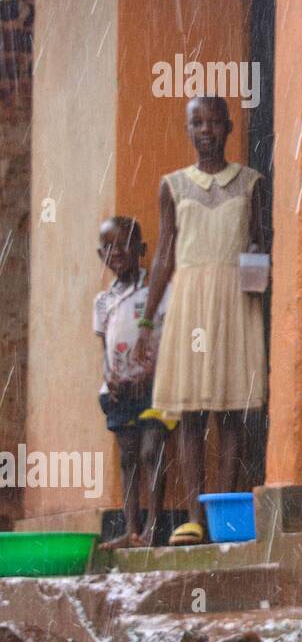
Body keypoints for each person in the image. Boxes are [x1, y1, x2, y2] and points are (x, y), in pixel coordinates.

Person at [133, 95, 270, 546]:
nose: (205, 130)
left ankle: (225, 514)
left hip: (235, 301)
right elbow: (165, 256)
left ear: (229, 128)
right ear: (188, 130)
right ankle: (192, 517)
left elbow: (260, 243)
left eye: (213, 122)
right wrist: (146, 324)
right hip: (190, 301)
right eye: (197, 123)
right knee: (191, 414)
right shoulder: (172, 186)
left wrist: (257, 290)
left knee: (230, 413)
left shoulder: (252, 183)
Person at [94, 217, 171, 549]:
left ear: (141, 250)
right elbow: (104, 348)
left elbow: (166, 337)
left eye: (124, 244)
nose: (117, 252)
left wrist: (150, 372)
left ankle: (154, 525)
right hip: (119, 392)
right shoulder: (103, 301)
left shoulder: (155, 292)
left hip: (152, 387)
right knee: (128, 458)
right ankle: (132, 529)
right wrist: (108, 375)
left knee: (152, 451)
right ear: (101, 254)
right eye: (108, 246)